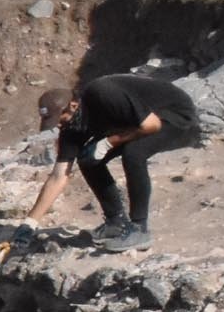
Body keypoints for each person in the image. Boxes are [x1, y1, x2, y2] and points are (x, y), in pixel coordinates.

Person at [23, 75, 201, 252]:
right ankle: (116, 222)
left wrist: (109, 142)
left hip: (173, 115)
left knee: (133, 153)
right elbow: (58, 176)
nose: (60, 126)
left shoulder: (103, 93)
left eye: (61, 119)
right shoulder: (71, 128)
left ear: (74, 106)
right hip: (134, 123)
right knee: (88, 160)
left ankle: (139, 229)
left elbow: (151, 125)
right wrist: (29, 224)